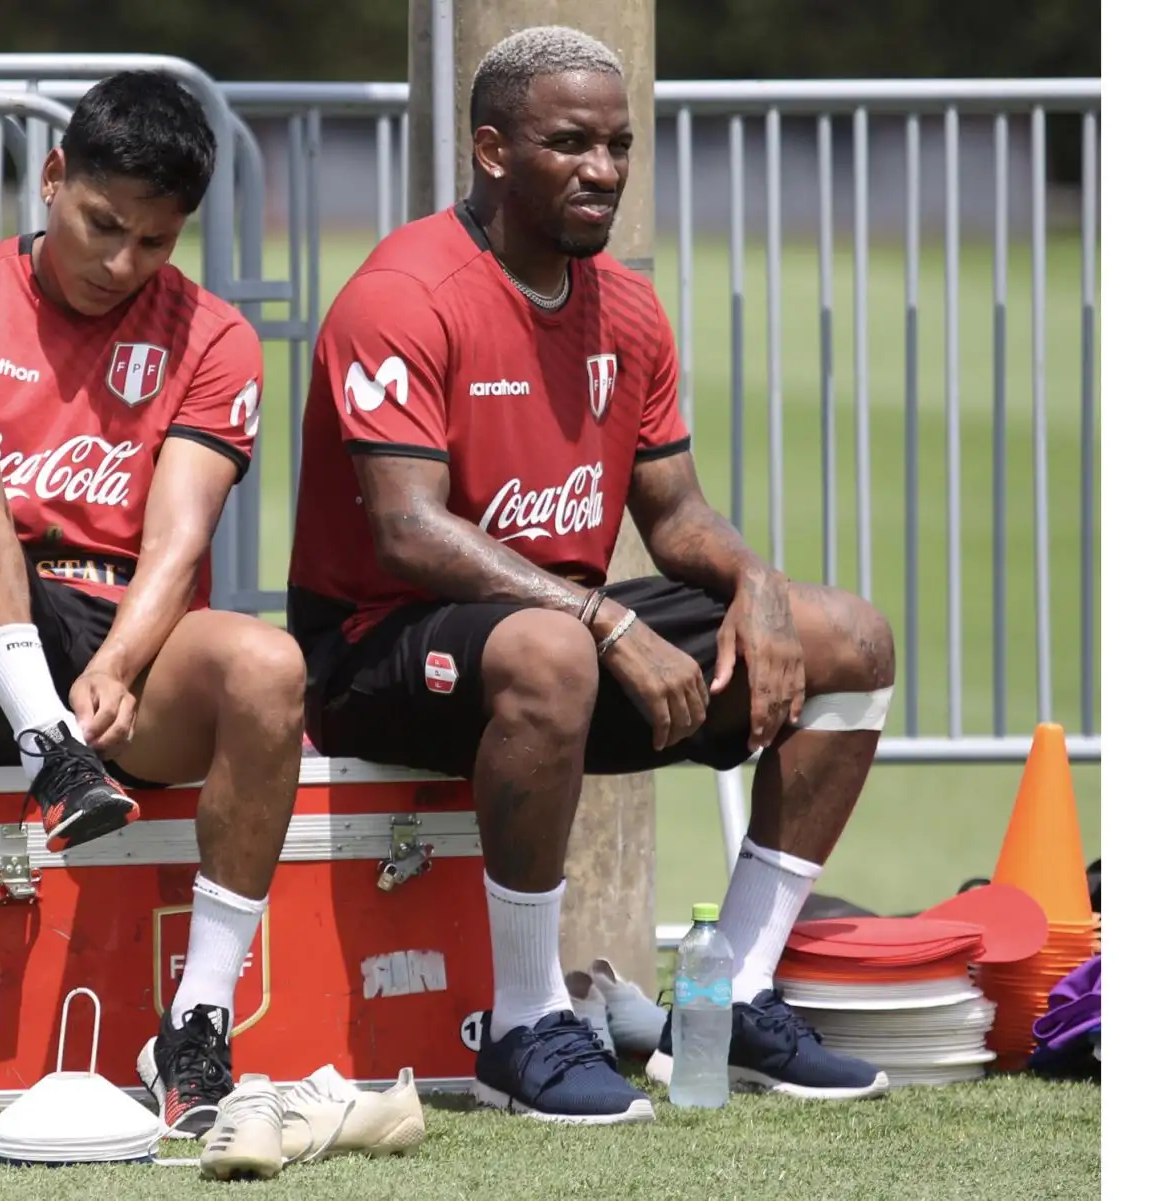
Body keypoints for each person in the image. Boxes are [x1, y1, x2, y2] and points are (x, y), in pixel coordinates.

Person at [287, 26, 896, 1124]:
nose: (604, 170)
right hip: (379, 651)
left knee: (849, 634)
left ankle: (738, 997)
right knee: (555, 646)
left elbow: (675, 515)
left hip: (556, 646)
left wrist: (755, 578)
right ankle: (524, 1022)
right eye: (570, 144)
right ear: (490, 150)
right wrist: (608, 622)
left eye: (619, 144)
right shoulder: (404, 293)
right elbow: (408, 533)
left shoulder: (625, 304)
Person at [0, 71, 303, 1136]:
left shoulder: (214, 336)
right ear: (51, 179)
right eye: (102, 225)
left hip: (120, 651)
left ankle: (197, 1021)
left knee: (271, 667)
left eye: (156, 243)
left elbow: (178, 542)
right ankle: (52, 749)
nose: (122, 264)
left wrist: (122, 666)